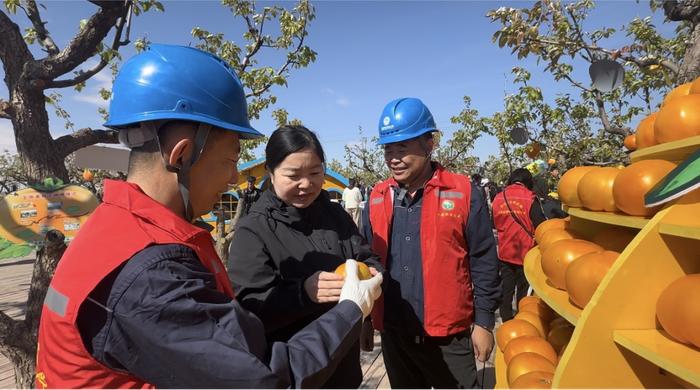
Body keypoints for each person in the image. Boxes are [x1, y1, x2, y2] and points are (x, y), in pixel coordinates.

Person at [35, 44, 382, 389]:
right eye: (230, 161)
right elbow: (262, 379)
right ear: (183, 154)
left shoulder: (118, 230)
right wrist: (350, 308)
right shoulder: (152, 273)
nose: (234, 179)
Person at [228, 125, 383, 388]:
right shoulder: (253, 230)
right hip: (292, 372)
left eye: (315, 173)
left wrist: (372, 276)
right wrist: (303, 293)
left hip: (343, 365)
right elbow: (249, 310)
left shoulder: (336, 216)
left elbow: (366, 257)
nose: (306, 184)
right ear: (271, 172)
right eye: (293, 175)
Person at [361, 97, 501, 388]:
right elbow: (365, 261)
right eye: (388, 149)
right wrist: (364, 319)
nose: (393, 158)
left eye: (403, 148)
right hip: (394, 333)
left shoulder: (462, 192)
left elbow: (484, 259)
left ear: (429, 144)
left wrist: (485, 322)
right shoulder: (376, 197)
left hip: (448, 336)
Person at [491, 168, 546, 321]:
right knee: (523, 289)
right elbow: (540, 225)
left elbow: (494, 224)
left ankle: (506, 318)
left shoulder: (498, 197)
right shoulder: (530, 198)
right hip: (526, 252)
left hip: (505, 252)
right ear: (528, 182)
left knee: (506, 288)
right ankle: (521, 320)